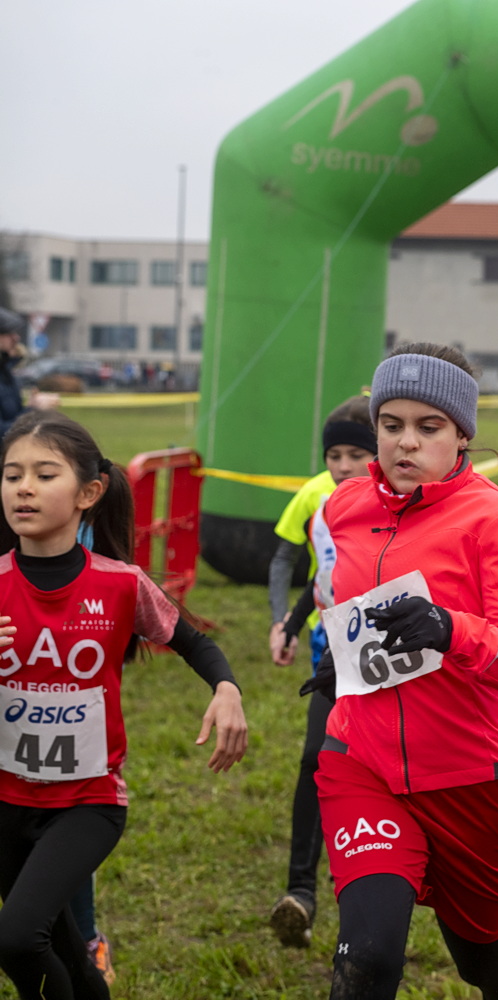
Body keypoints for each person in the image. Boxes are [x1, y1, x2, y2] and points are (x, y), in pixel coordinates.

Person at [300, 343, 498, 999]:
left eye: (428, 426)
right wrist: (341, 663)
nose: (406, 442)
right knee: (368, 957)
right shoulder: (342, 508)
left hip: (474, 778)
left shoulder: (497, 521)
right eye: (391, 425)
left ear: (462, 434)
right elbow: (351, 604)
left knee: (481, 956)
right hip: (362, 762)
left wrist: (449, 628)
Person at [0, 411, 246, 1000]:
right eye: (11, 475)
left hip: (87, 803)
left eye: (44, 475)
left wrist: (227, 690)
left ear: (89, 493)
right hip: (5, 802)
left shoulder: (121, 584)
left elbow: (195, 642)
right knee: (62, 949)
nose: (24, 488)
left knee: (16, 940)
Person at [264, 396, 377, 947]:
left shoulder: (401, 505)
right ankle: (300, 894)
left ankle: (381, 893)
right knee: (316, 759)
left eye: (357, 454)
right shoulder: (322, 501)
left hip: (390, 657)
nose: (344, 466)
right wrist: (288, 622)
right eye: (335, 455)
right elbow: (321, 575)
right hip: (331, 653)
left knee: (375, 774)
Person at [0, 308, 57, 439]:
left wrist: (32, 407)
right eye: (8, 332)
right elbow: (3, 433)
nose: (16, 338)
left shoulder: (6, 372)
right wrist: (34, 410)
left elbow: (12, 418)